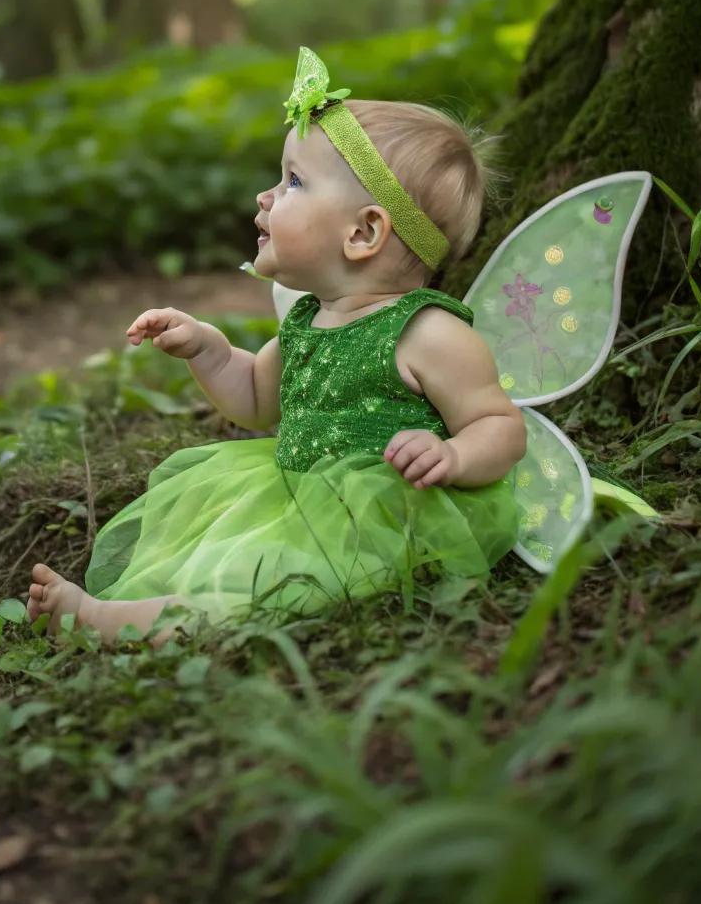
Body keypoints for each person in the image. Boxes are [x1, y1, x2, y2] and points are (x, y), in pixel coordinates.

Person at [27, 47, 526, 644]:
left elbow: (501, 425)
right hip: (288, 501)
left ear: (363, 232)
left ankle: (111, 625)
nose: (265, 196)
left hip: (377, 520)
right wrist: (208, 351)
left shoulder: (428, 333)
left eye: (293, 182)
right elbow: (260, 399)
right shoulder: (308, 319)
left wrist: (454, 456)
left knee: (268, 591)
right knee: (236, 566)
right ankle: (140, 614)